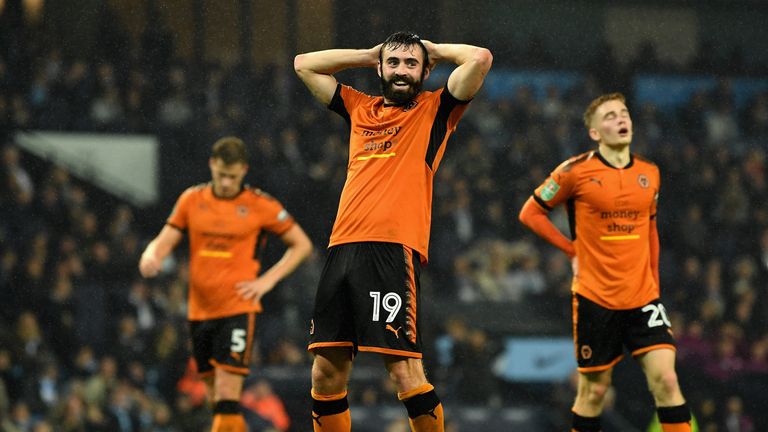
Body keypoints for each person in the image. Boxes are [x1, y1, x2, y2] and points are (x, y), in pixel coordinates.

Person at [294, 31, 492, 432]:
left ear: (424, 70)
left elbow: (480, 58)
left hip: (391, 250)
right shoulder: (358, 106)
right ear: (382, 68)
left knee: (404, 372)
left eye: (411, 64)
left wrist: (433, 51)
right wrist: (369, 54)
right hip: (341, 248)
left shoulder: (436, 109)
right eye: (395, 63)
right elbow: (303, 63)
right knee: (325, 374)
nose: (402, 71)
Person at [518, 93, 693, 432]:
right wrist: (571, 250)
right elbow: (531, 213)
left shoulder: (650, 173)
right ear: (595, 132)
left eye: (624, 113)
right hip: (595, 299)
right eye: (610, 116)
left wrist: (654, 284)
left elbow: (650, 231)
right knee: (594, 392)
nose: (621, 119)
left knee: (667, 381)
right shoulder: (575, 171)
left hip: (643, 298)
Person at [139, 136, 313, 432]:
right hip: (199, 311)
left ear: (243, 170)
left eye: (232, 176)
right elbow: (165, 238)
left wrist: (266, 281)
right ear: (212, 166)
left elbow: (301, 244)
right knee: (214, 400)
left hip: (237, 310)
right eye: (221, 175)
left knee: (227, 394)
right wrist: (150, 254)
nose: (226, 182)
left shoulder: (259, 204)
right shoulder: (192, 200)